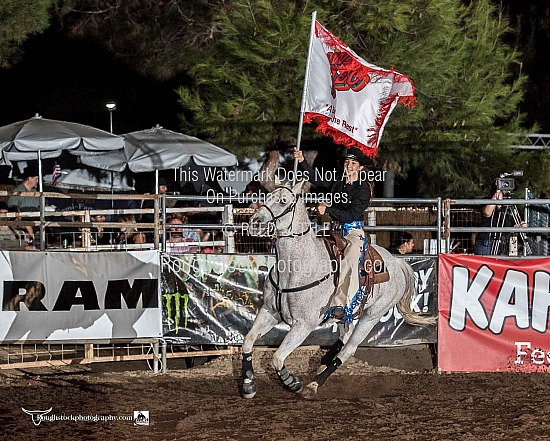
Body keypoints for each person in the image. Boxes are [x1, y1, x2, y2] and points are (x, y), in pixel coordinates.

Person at [293, 146, 373, 322]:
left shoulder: (363, 189)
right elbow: (316, 179)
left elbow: (351, 215)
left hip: (353, 231)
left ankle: (342, 305)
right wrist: (302, 161)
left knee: (351, 256)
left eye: (353, 163)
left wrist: (328, 208)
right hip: (335, 229)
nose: (349, 166)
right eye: (347, 162)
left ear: (360, 167)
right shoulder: (338, 182)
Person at [474, 187, 527, 255]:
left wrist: (520, 225)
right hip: (486, 242)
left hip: (502, 244)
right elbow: (487, 213)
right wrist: (496, 196)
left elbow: (513, 225)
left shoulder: (508, 206)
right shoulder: (487, 200)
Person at [7, 165, 40, 245]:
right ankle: (33, 239)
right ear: (29, 178)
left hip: (36, 216)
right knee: (27, 222)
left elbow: (38, 205)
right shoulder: (18, 191)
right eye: (36, 179)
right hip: (22, 218)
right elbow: (12, 208)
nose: (37, 181)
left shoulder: (36, 192)